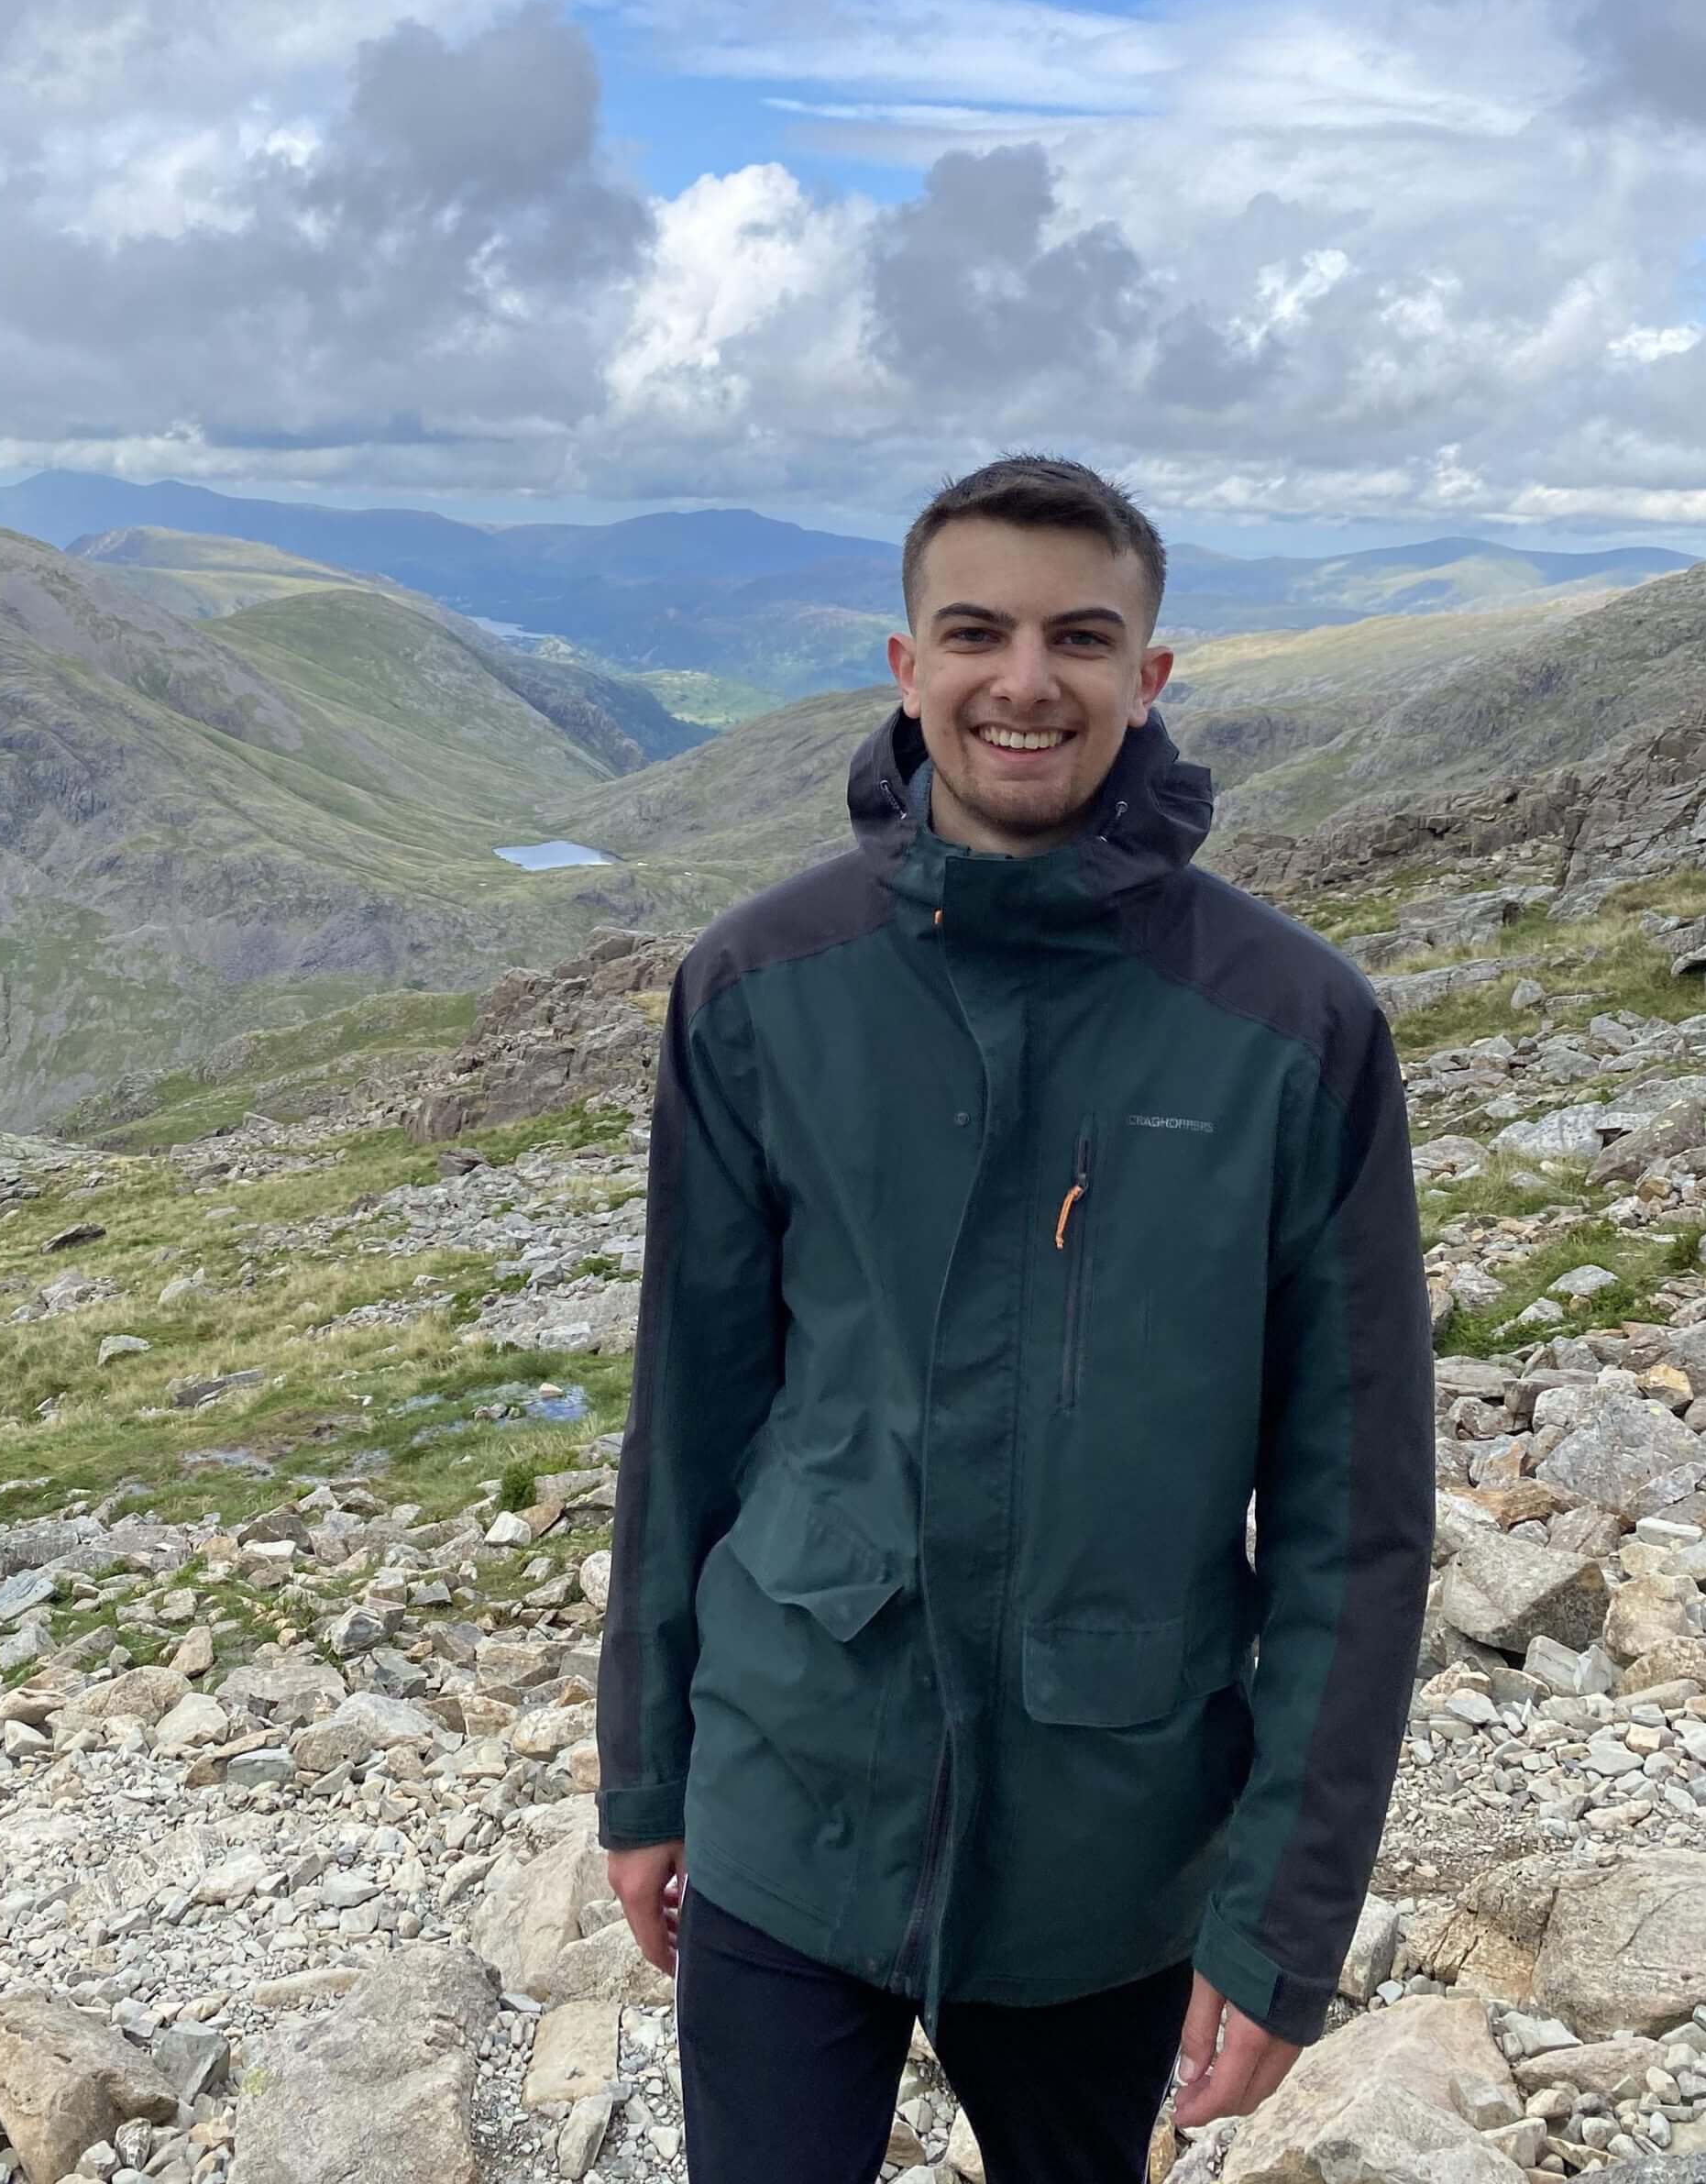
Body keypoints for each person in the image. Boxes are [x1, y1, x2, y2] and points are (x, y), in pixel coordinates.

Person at [593, 454, 1436, 2184]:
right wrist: (646, 1773)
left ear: (1152, 674)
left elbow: (1359, 1519)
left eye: (1081, 637)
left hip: (1109, 1852)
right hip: (789, 1785)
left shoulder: (1292, 1029)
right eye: (974, 632)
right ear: (907, 667)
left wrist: (1282, 1915)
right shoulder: (761, 987)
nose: (1024, 681)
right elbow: (688, 1413)